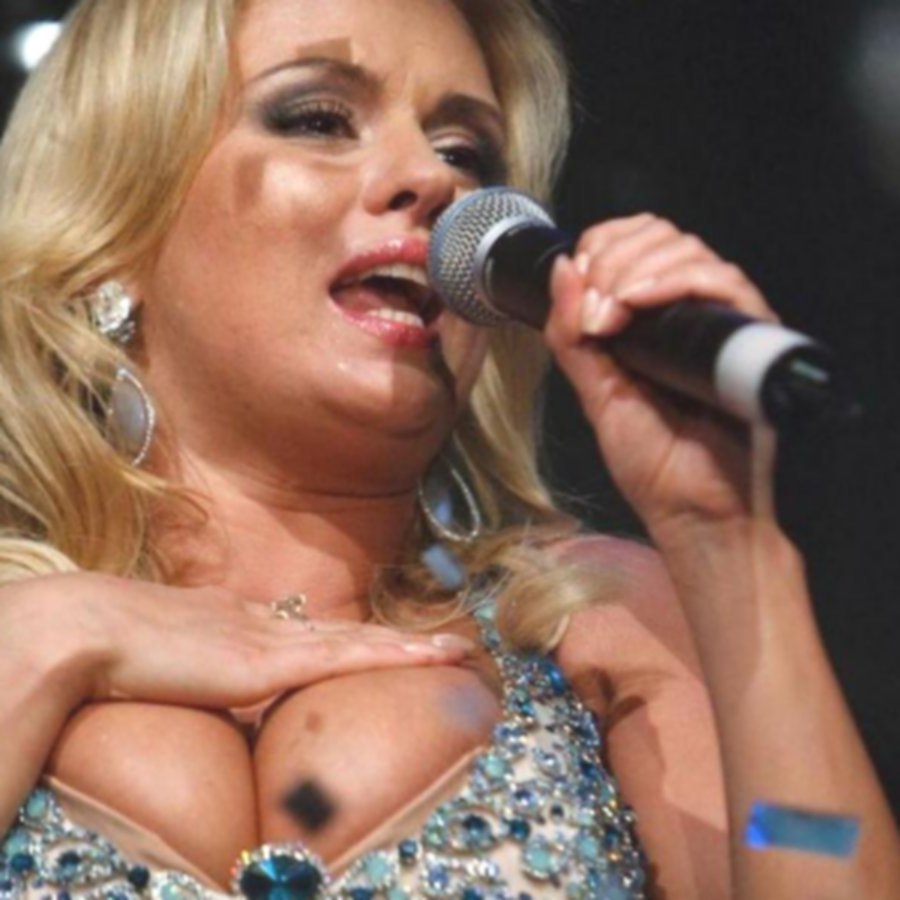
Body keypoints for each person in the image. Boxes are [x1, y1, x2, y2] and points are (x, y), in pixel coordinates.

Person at [0, 0, 896, 897]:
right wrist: (48, 636)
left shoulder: (595, 625)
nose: (432, 178)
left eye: (466, 152)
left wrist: (729, 546)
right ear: (116, 227)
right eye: (319, 120)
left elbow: (811, 842)